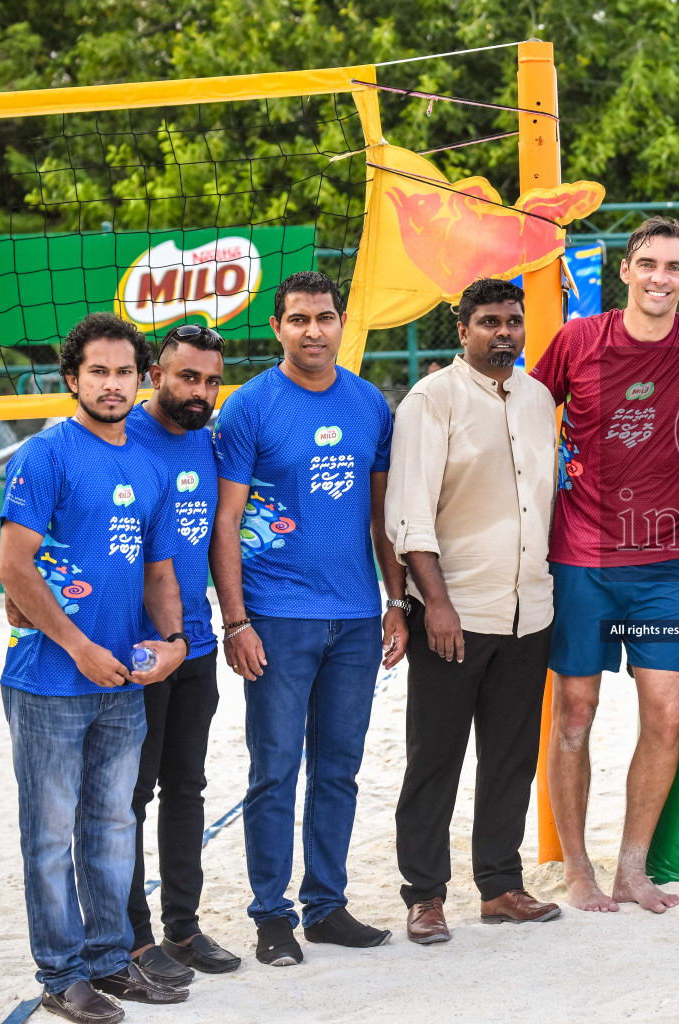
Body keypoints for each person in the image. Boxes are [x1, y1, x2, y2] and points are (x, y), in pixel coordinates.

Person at [530, 216, 679, 913]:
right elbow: (521, 412)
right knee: (575, 712)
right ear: (626, 273)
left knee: (666, 713)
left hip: (661, 563)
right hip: (581, 558)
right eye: (648, 265)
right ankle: (578, 870)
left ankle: (632, 869)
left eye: (673, 267)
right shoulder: (580, 340)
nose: (660, 277)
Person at [210, 271, 409, 966]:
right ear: (277, 328)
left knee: (340, 769)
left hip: (356, 616)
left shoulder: (369, 404)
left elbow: (383, 516)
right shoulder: (248, 408)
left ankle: (325, 906)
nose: (313, 330)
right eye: (298, 319)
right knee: (274, 769)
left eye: (324, 317)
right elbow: (226, 521)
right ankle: (272, 914)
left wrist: (397, 600)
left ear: (341, 322)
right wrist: (236, 622)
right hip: (277, 615)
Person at [0, 312, 191, 1023]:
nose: (113, 384)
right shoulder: (45, 456)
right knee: (49, 837)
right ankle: (59, 973)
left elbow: (160, 573)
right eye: (98, 372)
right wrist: (78, 645)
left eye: (124, 372)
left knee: (113, 826)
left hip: (122, 684)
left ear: (143, 380)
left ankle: (112, 961)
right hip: (50, 682)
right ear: (73, 379)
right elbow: (12, 568)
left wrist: (172, 643)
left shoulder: (147, 463)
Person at [387, 279, 561, 942]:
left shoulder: (539, 399)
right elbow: (409, 512)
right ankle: (425, 896)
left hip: (530, 611)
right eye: (488, 321)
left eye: (513, 321)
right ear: (462, 331)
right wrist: (434, 603)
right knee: (435, 757)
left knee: (512, 756)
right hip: (454, 613)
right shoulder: (433, 399)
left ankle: (499, 885)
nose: (504, 333)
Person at [124, 324, 242, 982]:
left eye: (210, 380)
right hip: (133, 648)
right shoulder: (120, 437)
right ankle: (135, 938)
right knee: (131, 796)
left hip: (194, 642)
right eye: (187, 377)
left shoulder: (208, 442)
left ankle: (183, 928)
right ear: (154, 375)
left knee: (187, 787)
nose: (200, 391)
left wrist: (232, 621)